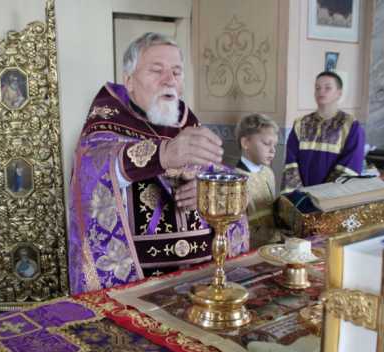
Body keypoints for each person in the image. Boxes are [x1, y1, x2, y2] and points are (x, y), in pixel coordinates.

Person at [68, 32, 249, 294]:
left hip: (203, 279)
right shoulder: (106, 124)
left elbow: (218, 176)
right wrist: (163, 154)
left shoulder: (188, 124)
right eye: (157, 70)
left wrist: (207, 192)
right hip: (135, 285)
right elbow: (89, 173)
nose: (169, 80)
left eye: (177, 72)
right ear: (129, 81)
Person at [282, 71, 365, 192]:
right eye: (317, 88)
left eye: (328, 88)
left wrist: (325, 194)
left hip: (333, 197)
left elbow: (350, 165)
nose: (321, 91)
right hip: (302, 195)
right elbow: (291, 161)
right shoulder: (301, 123)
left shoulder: (350, 125)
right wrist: (299, 196)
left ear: (339, 93)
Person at [234, 113, 281, 249]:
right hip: (250, 248)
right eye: (266, 143)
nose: (273, 150)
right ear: (245, 143)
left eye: (275, 145)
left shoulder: (268, 173)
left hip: (273, 244)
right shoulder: (235, 180)